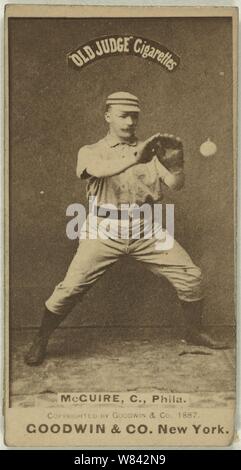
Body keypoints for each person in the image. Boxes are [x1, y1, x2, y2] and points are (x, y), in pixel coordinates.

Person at [25, 91, 227, 366]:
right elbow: (96, 169)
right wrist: (136, 156)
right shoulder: (90, 151)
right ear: (108, 116)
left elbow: (175, 185)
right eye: (124, 115)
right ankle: (41, 339)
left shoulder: (151, 153)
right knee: (69, 288)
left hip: (144, 226)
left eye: (135, 116)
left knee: (191, 275)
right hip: (103, 228)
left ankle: (194, 331)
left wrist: (177, 166)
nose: (131, 121)